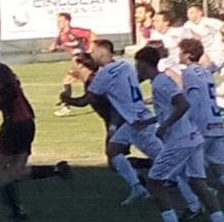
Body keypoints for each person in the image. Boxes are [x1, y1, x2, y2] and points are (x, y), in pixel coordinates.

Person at [0, 36, 71, 222]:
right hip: (26, 122)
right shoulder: (2, 68)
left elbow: (10, 93)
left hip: (15, 124)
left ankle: (18, 211)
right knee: (15, 172)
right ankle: (57, 171)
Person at [60, 39, 159, 203]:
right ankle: (139, 186)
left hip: (131, 120)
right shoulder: (126, 65)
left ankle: (191, 194)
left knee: (162, 157)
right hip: (133, 118)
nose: (71, 69)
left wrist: (67, 99)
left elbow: (88, 100)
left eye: (93, 51)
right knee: (113, 153)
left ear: (101, 52)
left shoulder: (102, 76)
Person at [133, 45, 223, 222]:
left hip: (180, 141)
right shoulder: (160, 82)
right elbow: (168, 109)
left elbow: (183, 104)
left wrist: (164, 126)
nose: (136, 70)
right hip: (193, 137)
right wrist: (149, 121)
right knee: (197, 183)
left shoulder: (161, 82)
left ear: (144, 64)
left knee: (154, 183)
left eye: (137, 65)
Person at [177, 38, 224, 189]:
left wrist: (187, 122)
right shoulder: (206, 72)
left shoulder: (188, 73)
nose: (178, 54)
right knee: (217, 163)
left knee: (189, 162)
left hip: (201, 124)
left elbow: (193, 99)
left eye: (181, 52)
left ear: (188, 55)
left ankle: (204, 194)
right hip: (216, 121)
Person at [49, 12, 94, 117]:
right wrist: (54, 47)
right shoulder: (61, 34)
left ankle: (66, 106)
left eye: (60, 21)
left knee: (69, 81)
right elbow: (54, 47)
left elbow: (91, 34)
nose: (58, 23)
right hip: (77, 61)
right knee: (87, 83)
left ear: (67, 21)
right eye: (57, 21)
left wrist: (90, 49)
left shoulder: (74, 31)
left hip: (83, 61)